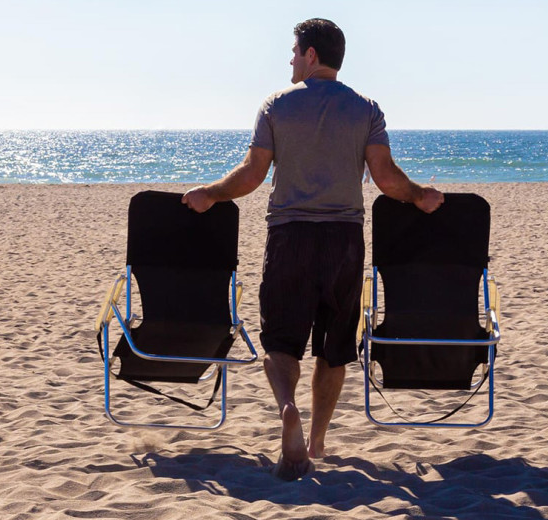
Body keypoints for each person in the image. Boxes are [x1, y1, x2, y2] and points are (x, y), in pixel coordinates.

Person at [183, 18, 444, 480]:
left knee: (281, 341)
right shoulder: (366, 108)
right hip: (344, 241)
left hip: (289, 237)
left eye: (294, 50)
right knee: (333, 347)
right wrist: (420, 195)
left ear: (311, 55)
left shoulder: (276, 106)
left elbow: (251, 175)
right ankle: (319, 438)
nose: (289, 59)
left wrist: (210, 193)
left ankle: (288, 409)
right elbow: (385, 179)